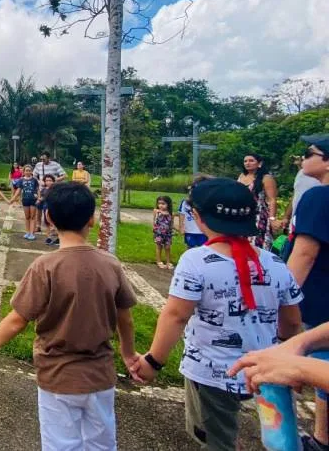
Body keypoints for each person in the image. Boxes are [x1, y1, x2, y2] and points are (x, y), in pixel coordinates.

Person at [0, 183, 139, 451]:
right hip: (101, 375)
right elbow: (127, 319)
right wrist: (129, 354)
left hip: (57, 377)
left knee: (61, 446)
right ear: (92, 218)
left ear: (49, 217)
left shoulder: (45, 267)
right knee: (102, 445)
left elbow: (17, 320)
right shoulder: (110, 264)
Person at [131, 178, 303, 451]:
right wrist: (283, 353)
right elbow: (292, 322)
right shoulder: (275, 262)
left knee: (217, 440)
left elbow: (176, 315)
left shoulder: (195, 260)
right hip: (267, 369)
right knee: (277, 437)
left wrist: (153, 361)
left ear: (198, 217)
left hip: (210, 372)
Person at [284, 134, 329, 451]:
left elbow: (303, 255)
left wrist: (280, 302)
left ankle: (322, 439)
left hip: (321, 299)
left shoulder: (319, 198)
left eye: (309, 153)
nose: (303, 159)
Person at [237, 153, 277, 250]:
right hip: (241, 215)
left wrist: (272, 219)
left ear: (259, 163)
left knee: (256, 245)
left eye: (251, 161)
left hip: (258, 216)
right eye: (245, 161)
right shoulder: (242, 176)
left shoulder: (266, 178)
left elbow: (272, 200)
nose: (247, 163)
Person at [11, 164, 40, 240]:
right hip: (25, 200)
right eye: (26, 170)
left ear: (32, 171)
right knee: (27, 217)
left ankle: (32, 233)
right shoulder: (21, 180)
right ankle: (27, 232)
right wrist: (13, 199)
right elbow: (18, 190)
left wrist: (39, 199)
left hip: (33, 200)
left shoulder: (34, 180)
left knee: (33, 217)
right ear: (23, 171)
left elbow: (38, 189)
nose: (28, 172)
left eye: (29, 170)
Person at [179, 176, 209, 249]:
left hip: (202, 231)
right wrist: (181, 226)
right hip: (190, 230)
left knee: (203, 248)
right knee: (190, 247)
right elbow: (182, 214)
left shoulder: (206, 202)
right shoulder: (185, 202)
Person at [153, 195, 175, 269]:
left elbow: (171, 224)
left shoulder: (171, 213)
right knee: (159, 247)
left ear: (168, 204)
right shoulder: (156, 211)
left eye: (163, 204)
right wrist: (154, 228)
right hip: (159, 233)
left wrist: (174, 230)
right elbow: (154, 221)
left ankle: (168, 261)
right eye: (159, 203)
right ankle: (159, 261)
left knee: (168, 247)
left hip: (168, 233)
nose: (161, 205)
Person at [37, 175, 57, 245]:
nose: (48, 182)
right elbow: (42, 198)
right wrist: (39, 199)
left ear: (53, 181)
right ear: (44, 182)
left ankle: (59, 238)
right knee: (47, 223)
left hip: (54, 208)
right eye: (47, 181)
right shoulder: (43, 189)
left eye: (50, 180)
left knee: (55, 223)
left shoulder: (55, 189)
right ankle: (48, 238)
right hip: (45, 208)